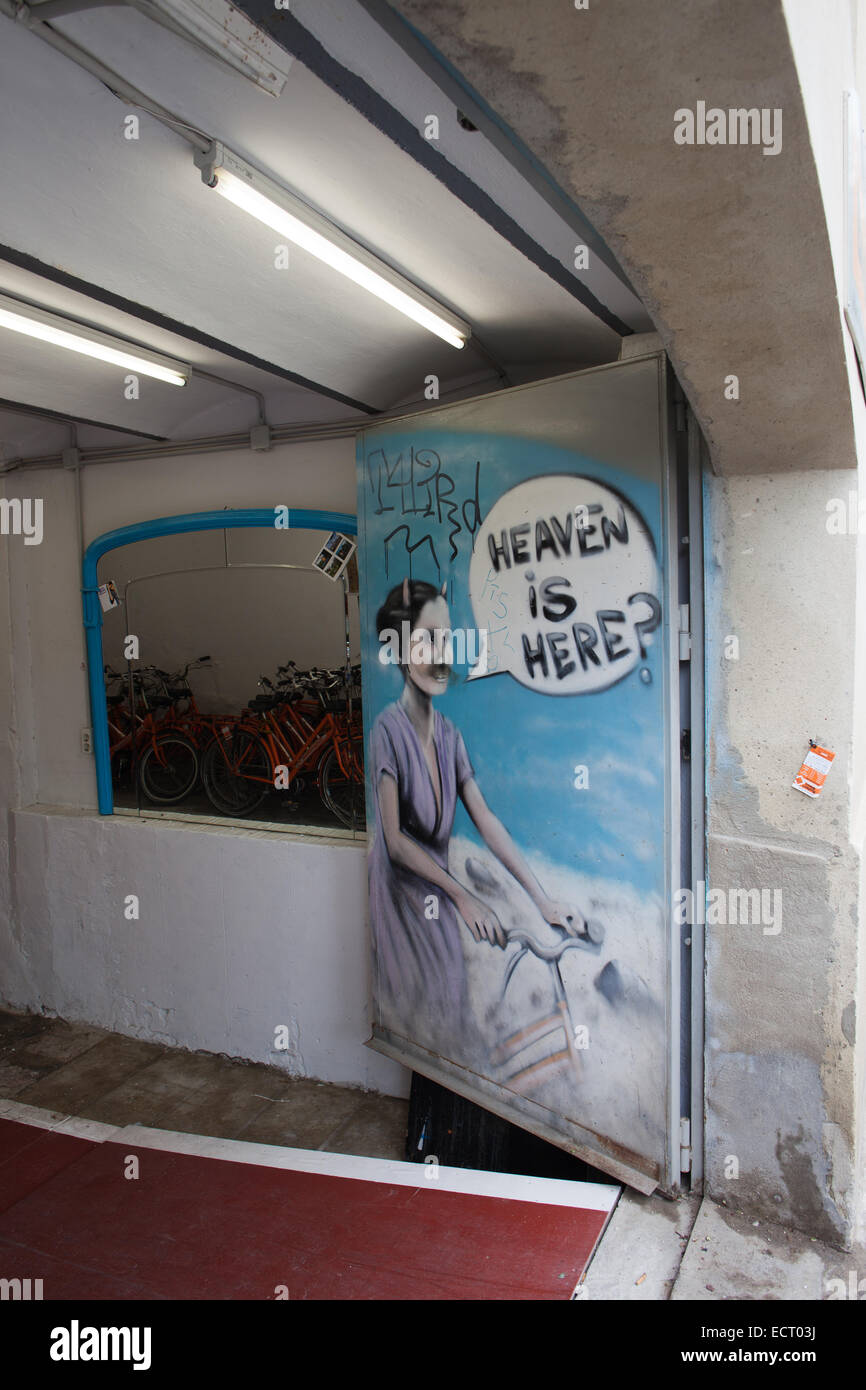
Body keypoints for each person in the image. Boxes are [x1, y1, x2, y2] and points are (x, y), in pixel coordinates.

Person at [368, 576, 586, 1053]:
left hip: (441, 906)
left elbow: (485, 819)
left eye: (448, 638)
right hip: (403, 909)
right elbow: (396, 841)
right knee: (421, 1024)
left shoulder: (449, 735)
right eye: (428, 639)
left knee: (454, 1025)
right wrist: (464, 898)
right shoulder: (387, 729)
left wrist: (543, 901)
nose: (442, 653)